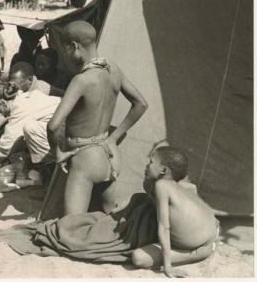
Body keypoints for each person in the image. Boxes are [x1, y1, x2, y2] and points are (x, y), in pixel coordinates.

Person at [47, 20, 148, 216]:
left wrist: (57, 153)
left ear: (75, 46)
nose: (65, 56)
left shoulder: (82, 80)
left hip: (84, 159)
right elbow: (141, 104)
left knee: (70, 229)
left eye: (65, 50)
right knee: (108, 219)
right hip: (108, 155)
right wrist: (113, 137)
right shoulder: (113, 69)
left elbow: (53, 126)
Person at [131, 146, 219, 277]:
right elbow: (192, 188)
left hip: (199, 247)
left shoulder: (161, 185)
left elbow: (164, 227)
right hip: (212, 231)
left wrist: (168, 267)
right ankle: (206, 245)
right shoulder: (177, 185)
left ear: (164, 170)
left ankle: (200, 253)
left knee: (138, 257)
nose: (147, 165)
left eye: (151, 162)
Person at [0, 82, 61, 183]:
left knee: (31, 129)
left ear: (3, 103)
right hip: (66, 127)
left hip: (69, 129)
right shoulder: (26, 97)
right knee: (24, 136)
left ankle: (51, 171)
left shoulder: (20, 107)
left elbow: (7, 143)